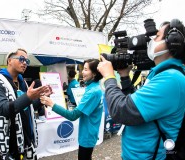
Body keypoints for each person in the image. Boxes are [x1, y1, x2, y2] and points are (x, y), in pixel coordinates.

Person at [97, 19, 185, 159]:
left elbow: (122, 111)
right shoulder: (162, 74)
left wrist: (109, 77)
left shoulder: (171, 79)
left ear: (173, 42)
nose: (152, 41)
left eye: (157, 37)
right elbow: (137, 106)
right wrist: (125, 77)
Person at [0, 48, 51, 160]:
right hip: (11, 141)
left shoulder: (22, 83)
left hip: (27, 138)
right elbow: (4, 110)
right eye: (21, 59)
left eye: (27, 61)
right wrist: (28, 97)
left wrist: (43, 97)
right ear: (9, 60)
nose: (25, 63)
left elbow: (29, 107)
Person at [40, 59, 103, 160]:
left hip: (87, 135)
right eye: (83, 69)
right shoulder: (94, 88)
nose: (82, 72)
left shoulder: (92, 92)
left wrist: (52, 104)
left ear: (94, 74)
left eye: (86, 69)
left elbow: (73, 115)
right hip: (89, 132)